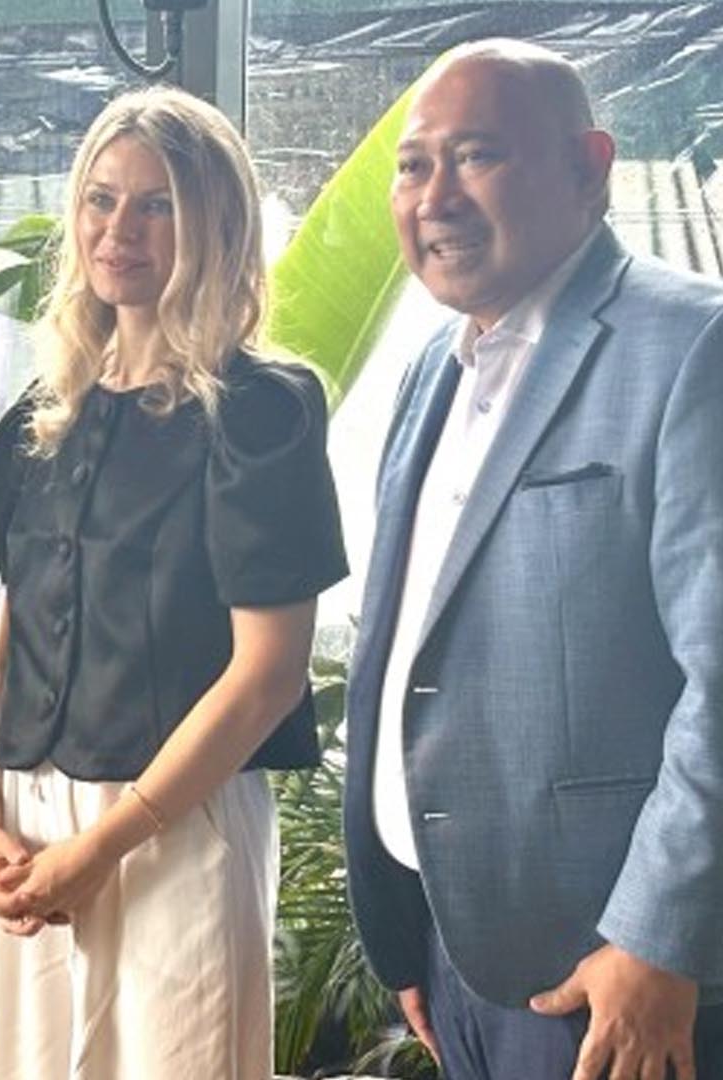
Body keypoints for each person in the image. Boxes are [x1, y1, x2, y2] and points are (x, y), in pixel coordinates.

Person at [346, 38, 723, 1079]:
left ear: (589, 168)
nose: (436, 196)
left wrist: (657, 941)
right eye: (413, 165)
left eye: (477, 155)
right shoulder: (432, 370)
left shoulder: (691, 349)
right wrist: (409, 932)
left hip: (612, 979)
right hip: (455, 955)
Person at [0, 86, 346, 1078]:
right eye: (101, 199)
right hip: (31, 821)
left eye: (157, 204)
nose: (119, 229)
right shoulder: (40, 416)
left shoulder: (260, 412)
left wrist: (107, 844)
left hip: (177, 820)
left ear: (216, 223)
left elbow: (267, 676)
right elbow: (15, 638)